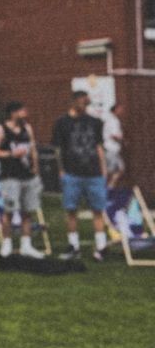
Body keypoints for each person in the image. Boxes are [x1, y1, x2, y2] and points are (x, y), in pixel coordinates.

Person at [52, 91, 108, 262]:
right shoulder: (62, 123)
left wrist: (103, 169)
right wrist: (61, 170)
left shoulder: (95, 122)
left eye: (87, 103)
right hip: (72, 173)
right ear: (74, 102)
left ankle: (101, 247)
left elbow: (98, 146)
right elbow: (58, 149)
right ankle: (73, 246)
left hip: (94, 173)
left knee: (97, 210)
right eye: (83, 102)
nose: (85, 106)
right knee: (71, 210)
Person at [0, 101, 43, 259]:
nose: (25, 113)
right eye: (22, 111)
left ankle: (26, 245)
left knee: (28, 212)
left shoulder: (27, 128)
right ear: (13, 113)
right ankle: (7, 244)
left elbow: (32, 148)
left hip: (28, 176)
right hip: (10, 176)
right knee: (9, 211)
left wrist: (35, 166)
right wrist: (11, 154)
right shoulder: (0, 129)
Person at [103, 101, 126, 188]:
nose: (122, 111)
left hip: (112, 150)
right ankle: (108, 188)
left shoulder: (112, 120)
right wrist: (123, 140)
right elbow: (114, 136)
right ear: (115, 110)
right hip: (111, 149)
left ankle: (110, 187)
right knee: (113, 170)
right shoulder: (113, 121)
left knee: (119, 169)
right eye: (120, 109)